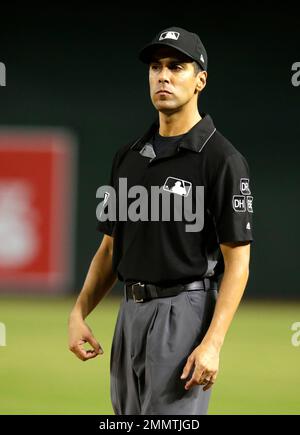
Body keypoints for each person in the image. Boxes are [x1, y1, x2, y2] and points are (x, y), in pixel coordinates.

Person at [68, 26, 254, 415]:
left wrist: (213, 343)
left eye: (177, 66)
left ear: (200, 79)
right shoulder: (129, 156)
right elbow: (109, 249)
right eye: (155, 67)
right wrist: (79, 312)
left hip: (183, 311)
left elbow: (238, 262)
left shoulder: (221, 158)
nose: (163, 76)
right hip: (129, 314)